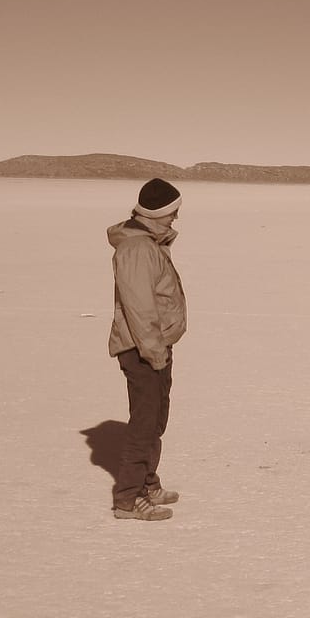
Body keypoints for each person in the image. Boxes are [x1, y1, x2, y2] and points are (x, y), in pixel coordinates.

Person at [106, 178, 187, 521]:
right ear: (155, 213)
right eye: (172, 212)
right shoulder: (137, 249)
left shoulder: (149, 243)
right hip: (141, 348)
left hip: (155, 345)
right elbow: (139, 308)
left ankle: (147, 482)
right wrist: (154, 353)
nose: (175, 218)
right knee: (144, 422)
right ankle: (128, 498)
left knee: (155, 419)